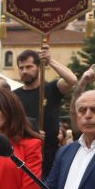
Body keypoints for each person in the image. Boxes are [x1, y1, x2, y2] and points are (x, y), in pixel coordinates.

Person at [14, 45, 78, 179]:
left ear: (39, 67)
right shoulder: (14, 96)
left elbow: (71, 80)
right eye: (21, 68)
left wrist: (50, 60)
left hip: (50, 152)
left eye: (29, 67)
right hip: (24, 151)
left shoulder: (51, 89)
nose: (24, 71)